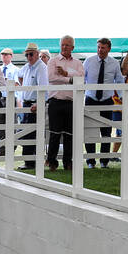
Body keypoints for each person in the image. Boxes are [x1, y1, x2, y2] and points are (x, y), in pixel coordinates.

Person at [45, 35, 83, 170]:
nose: (64, 47)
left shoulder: (78, 63)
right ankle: (52, 161)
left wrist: (66, 74)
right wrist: (70, 78)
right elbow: (51, 78)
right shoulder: (53, 61)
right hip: (55, 101)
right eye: (63, 45)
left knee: (69, 134)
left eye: (67, 45)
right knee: (54, 133)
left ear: (72, 47)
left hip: (71, 102)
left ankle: (68, 162)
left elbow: (82, 78)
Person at [83, 38, 120, 167]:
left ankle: (104, 161)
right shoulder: (89, 61)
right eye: (98, 47)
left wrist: (122, 99)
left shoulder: (115, 63)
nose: (100, 50)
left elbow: (119, 81)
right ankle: (90, 161)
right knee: (89, 131)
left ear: (109, 48)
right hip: (91, 99)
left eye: (103, 48)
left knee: (106, 131)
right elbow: (82, 79)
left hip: (107, 101)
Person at [15, 42, 47, 168]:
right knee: (26, 133)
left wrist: (39, 104)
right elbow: (19, 75)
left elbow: (43, 88)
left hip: (34, 105)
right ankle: (29, 161)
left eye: (31, 54)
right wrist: (23, 87)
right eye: (27, 55)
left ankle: (31, 162)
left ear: (37, 54)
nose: (29, 57)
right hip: (27, 104)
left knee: (32, 134)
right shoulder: (27, 67)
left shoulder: (41, 67)